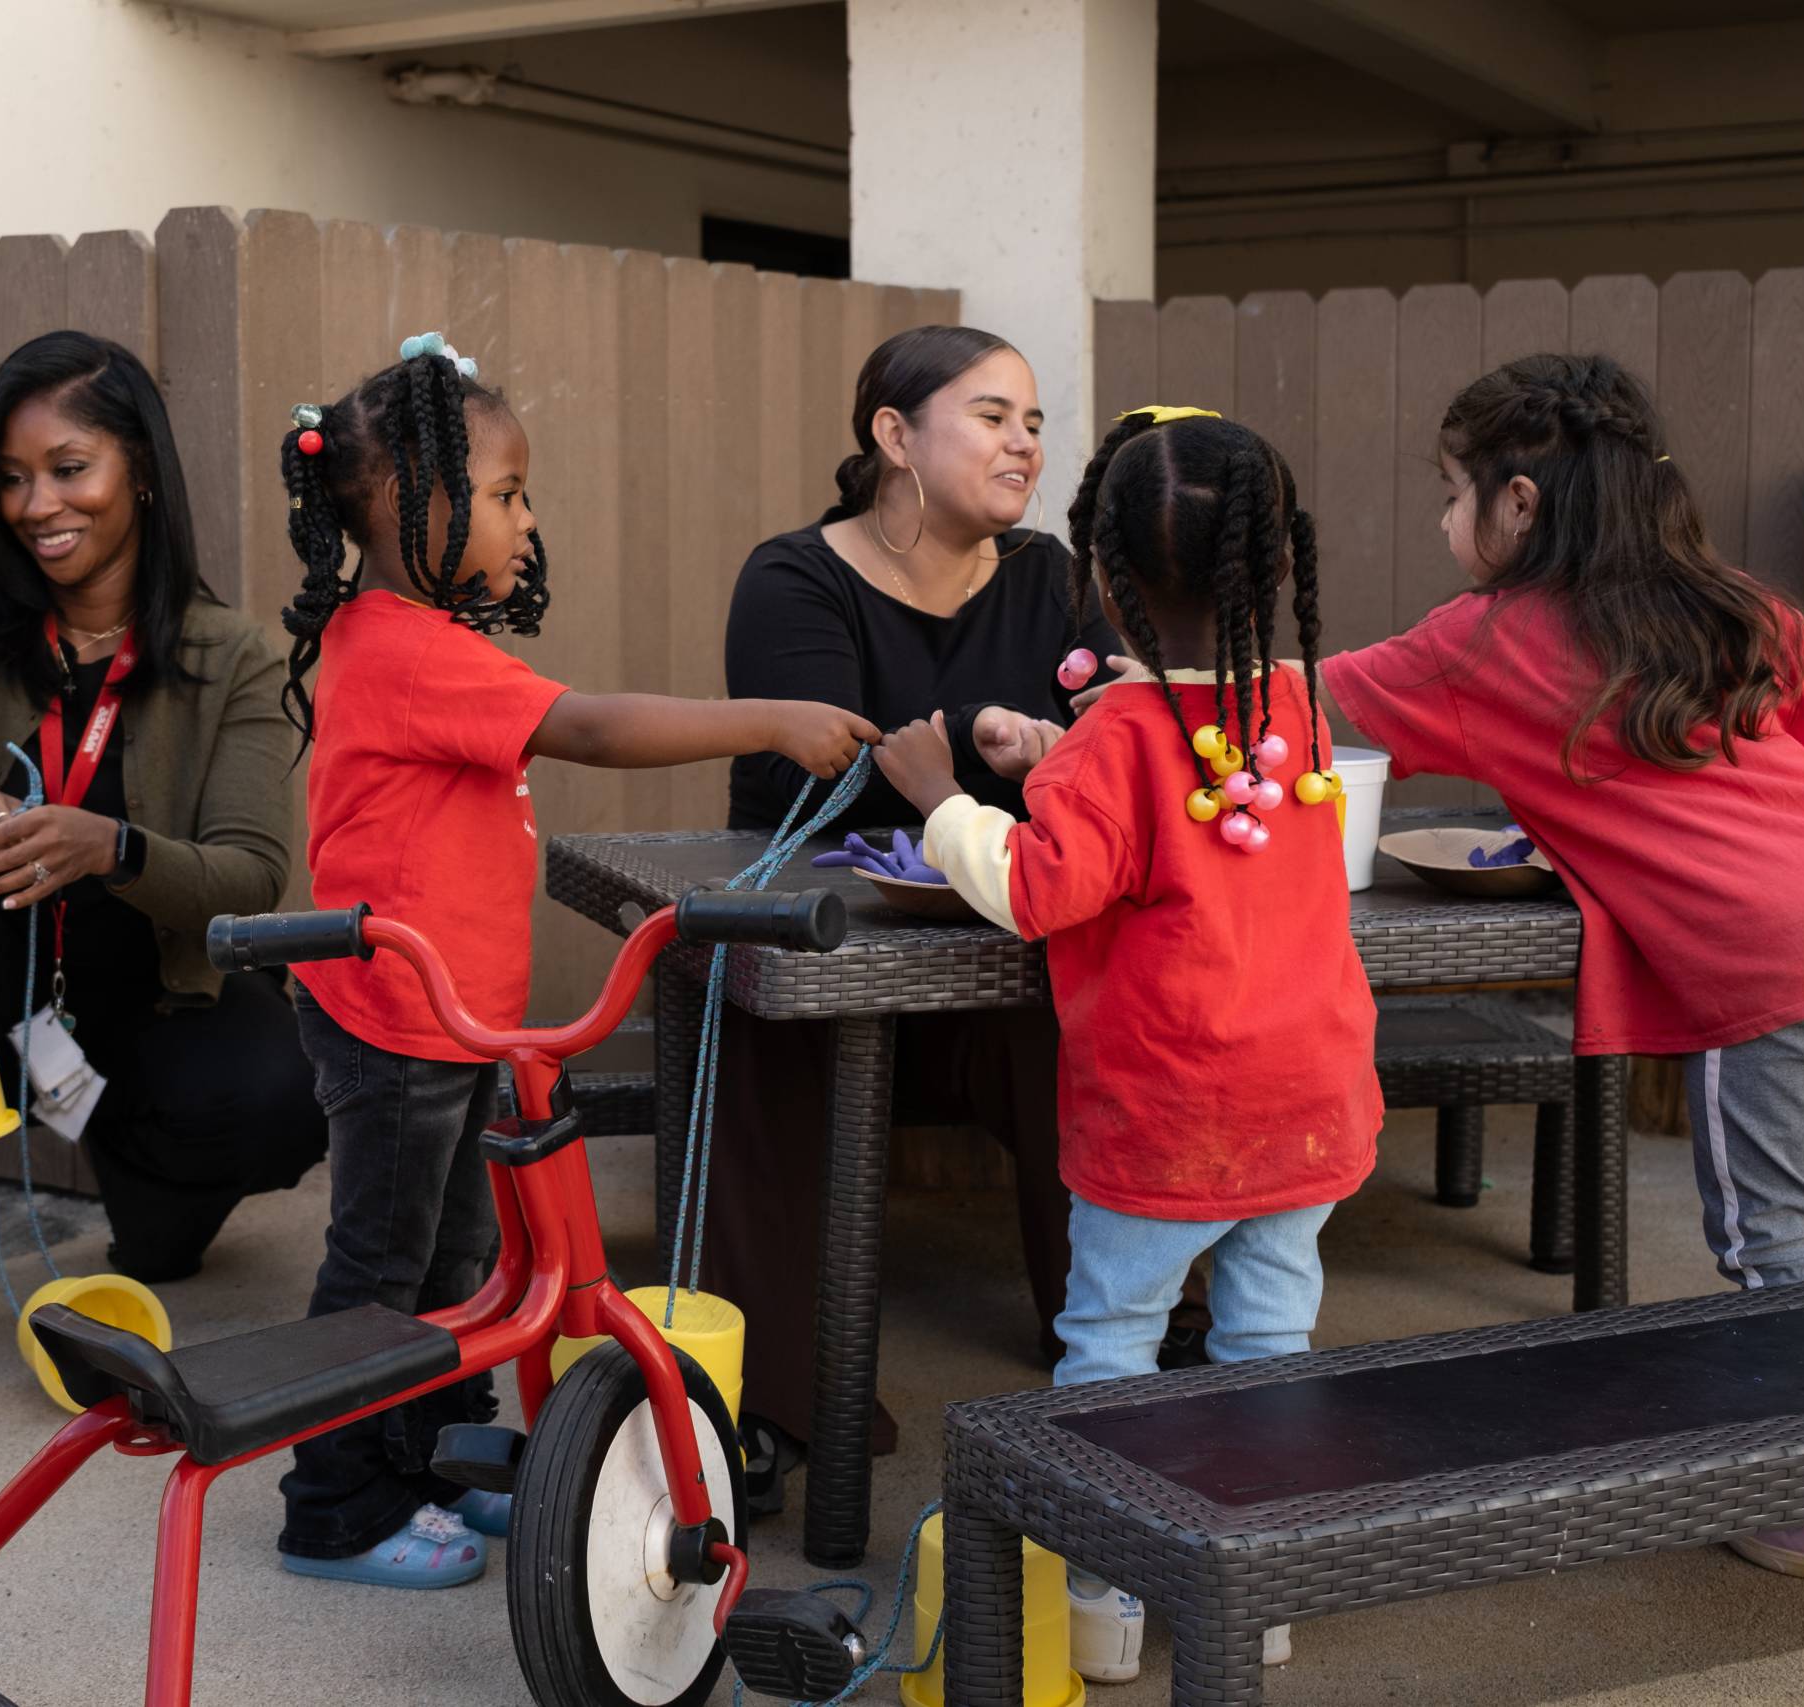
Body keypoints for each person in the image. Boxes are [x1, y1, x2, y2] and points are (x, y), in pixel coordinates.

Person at [270, 332, 878, 1588]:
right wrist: (770, 718)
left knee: (445, 1263)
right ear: (403, 502)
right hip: (396, 1023)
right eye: (504, 494)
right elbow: (589, 726)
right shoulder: (406, 647)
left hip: (442, 1023)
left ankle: (427, 1458)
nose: (523, 520)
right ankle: (334, 1508)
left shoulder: (413, 634)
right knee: (384, 1270)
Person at [1320, 352, 1804, 1592]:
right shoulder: (1727, 599)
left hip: (1775, 968)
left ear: (1519, 503)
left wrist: (1109, 702)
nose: (1442, 522)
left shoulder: (1479, 638)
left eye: (1448, 491)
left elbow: (1295, 709)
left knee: (1773, 1245)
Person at [878, 406, 1381, 1682]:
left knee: (1113, 1343)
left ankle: (1104, 1600)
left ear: (1100, 577)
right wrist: (1051, 751)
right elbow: (1197, 798)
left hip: (1168, 1115)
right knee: (1266, 1345)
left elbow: (1047, 887)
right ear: (1274, 568)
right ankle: (1252, 1593)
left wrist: (943, 800)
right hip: (1306, 1107)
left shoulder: (1121, 735)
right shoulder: (1296, 716)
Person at [710, 325, 1201, 1509]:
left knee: (1094, 995)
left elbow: (1120, 746)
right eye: (991, 416)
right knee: (754, 1020)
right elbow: (798, 785)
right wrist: (998, 748)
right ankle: (779, 1400)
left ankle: (1131, 1335)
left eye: (1032, 421)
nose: (1024, 443)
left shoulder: (1050, 579)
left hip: (1001, 938)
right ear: (894, 436)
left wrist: (1084, 729)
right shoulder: (793, 579)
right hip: (837, 938)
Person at [0, 331, 324, 1374]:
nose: (36, 506)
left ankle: (152, 1208)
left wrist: (113, 846)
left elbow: (248, 876)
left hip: (148, 995)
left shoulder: (232, 655)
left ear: (137, 472)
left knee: (283, 1091)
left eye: (68, 470)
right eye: (10, 480)